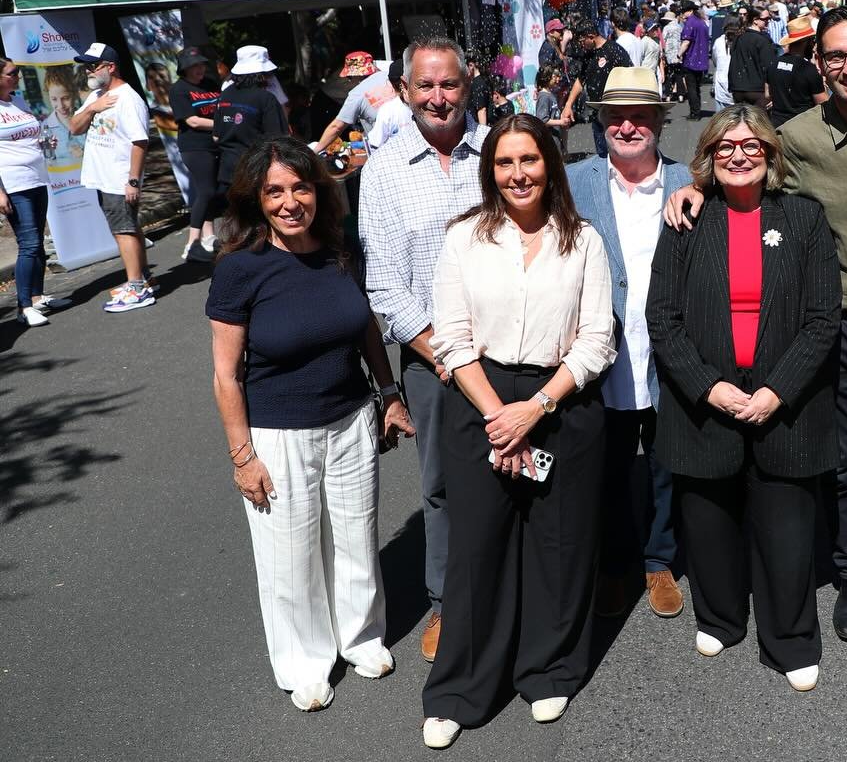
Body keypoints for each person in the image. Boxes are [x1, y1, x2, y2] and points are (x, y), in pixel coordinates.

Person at [665, 5, 847, 697]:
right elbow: (742, 163)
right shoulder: (795, 136)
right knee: (839, 467)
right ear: (818, 64)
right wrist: (692, 188)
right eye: (835, 56)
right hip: (827, 329)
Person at [421, 114, 615, 750]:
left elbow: (596, 340)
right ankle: (461, 688)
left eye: (529, 160)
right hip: (480, 399)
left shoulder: (582, 240)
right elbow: (449, 336)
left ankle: (549, 667)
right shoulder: (463, 239)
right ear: (491, 171)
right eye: (505, 163)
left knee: (559, 546)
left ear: (550, 165)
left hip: (559, 400)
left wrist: (535, 408)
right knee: (479, 549)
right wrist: (498, 415)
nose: (518, 174)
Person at [207, 135, 415, 713]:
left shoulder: (339, 250)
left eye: (301, 187)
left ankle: (361, 636)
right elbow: (227, 376)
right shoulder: (239, 270)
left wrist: (389, 394)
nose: (290, 201)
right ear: (257, 199)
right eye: (275, 191)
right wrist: (242, 457)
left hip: (351, 419)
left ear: (319, 191)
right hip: (279, 433)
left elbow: (366, 327)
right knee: (290, 552)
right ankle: (304, 660)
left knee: (355, 536)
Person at [646, 104, 840, 693]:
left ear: (770, 155)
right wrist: (710, 387)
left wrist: (777, 390)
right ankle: (721, 616)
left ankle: (790, 639)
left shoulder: (804, 220)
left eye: (752, 146)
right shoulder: (686, 220)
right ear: (708, 155)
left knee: (786, 529)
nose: (738, 155)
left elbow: (822, 320)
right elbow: (664, 317)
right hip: (706, 399)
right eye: (726, 146)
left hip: (787, 400)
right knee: (709, 523)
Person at [359, 37, 490, 666]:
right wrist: (442, 354)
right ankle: (446, 601)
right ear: (405, 91)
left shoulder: (496, 153)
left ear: (468, 86)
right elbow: (382, 279)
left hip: (507, 352)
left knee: (519, 471)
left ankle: (508, 589)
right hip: (431, 358)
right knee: (441, 485)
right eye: (425, 86)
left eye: (450, 85)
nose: (438, 98)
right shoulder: (384, 171)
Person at [566, 68, 692, 621]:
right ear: (601, 122)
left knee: (668, 464)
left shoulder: (690, 179)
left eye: (640, 116)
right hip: (602, 355)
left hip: (668, 355)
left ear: (660, 122)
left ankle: (658, 558)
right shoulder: (574, 183)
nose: (627, 126)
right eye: (616, 116)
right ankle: (616, 562)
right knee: (607, 466)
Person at [66, 43, 155, 312]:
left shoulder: (129, 99)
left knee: (123, 230)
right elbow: (74, 126)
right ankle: (142, 279)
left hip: (118, 177)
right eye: (87, 66)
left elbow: (140, 142)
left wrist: (132, 180)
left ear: (111, 67)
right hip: (102, 176)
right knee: (128, 226)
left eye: (94, 66)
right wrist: (93, 108)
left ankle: (137, 287)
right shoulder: (96, 95)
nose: (89, 71)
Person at [0, 58, 54, 326]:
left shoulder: (17, 100)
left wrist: (44, 141)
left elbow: (32, 133)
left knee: (38, 241)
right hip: (13, 183)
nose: (17, 76)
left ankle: (37, 296)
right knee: (29, 243)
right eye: (12, 73)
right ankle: (23, 307)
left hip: (36, 178)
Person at [214, 47, 290, 203]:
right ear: (261, 74)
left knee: (240, 221)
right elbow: (278, 139)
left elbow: (216, 135)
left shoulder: (225, 94)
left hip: (229, 172)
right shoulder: (265, 98)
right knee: (261, 222)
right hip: (257, 170)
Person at [170, 46, 222, 261]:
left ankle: (209, 238)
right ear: (185, 69)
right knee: (206, 190)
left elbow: (223, 107)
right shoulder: (179, 89)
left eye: (201, 64)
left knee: (212, 190)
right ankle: (192, 244)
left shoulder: (210, 84)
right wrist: (222, 125)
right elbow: (192, 120)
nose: (200, 69)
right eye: (194, 66)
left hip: (216, 143)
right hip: (194, 146)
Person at [559, 20, 632, 158]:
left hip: (615, 113)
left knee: (619, 154)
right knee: (602, 155)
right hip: (597, 114)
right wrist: (568, 105)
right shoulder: (588, 55)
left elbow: (630, 75)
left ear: (591, 36)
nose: (581, 45)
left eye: (582, 41)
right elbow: (580, 81)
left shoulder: (614, 50)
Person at [765, 17, 828, 127]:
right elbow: (824, 104)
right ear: (805, 42)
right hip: (802, 129)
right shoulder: (808, 69)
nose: (814, 45)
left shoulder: (773, 64)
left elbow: (767, 95)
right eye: (812, 41)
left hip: (777, 127)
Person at [727, 7, 778, 108]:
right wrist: (773, 92)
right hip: (757, 90)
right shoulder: (762, 40)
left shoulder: (739, 36)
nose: (768, 21)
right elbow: (770, 67)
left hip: (738, 88)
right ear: (755, 20)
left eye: (769, 19)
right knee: (758, 122)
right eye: (765, 19)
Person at [678, 0, 711, 121]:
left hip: (691, 59)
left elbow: (686, 41)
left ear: (691, 11)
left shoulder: (690, 23)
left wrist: (679, 54)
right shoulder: (702, 22)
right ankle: (697, 110)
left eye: (684, 11)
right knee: (697, 87)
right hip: (701, 59)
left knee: (691, 88)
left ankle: (694, 113)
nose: (683, 13)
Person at [711, 17, 740, 111]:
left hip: (721, 84)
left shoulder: (718, 42)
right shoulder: (742, 41)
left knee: (722, 120)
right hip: (738, 85)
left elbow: (715, 60)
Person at [661, 10, 684, 103]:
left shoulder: (666, 28)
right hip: (678, 53)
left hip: (669, 53)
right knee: (679, 75)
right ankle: (681, 95)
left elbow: (663, 40)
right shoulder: (680, 27)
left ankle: (668, 95)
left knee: (669, 75)